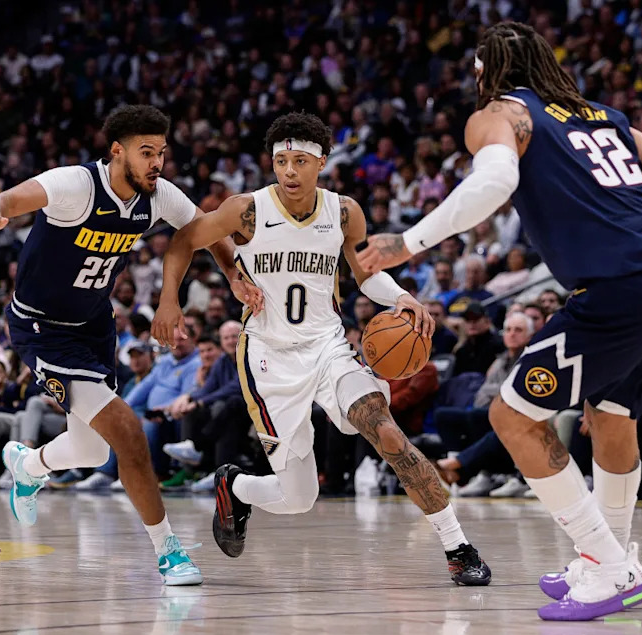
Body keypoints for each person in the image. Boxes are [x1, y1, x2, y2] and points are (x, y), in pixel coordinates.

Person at [356, 21, 642, 620]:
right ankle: (617, 556)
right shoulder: (601, 115)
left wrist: (408, 242)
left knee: (512, 415)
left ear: (485, 72)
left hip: (622, 288)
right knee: (612, 414)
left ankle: (605, 564)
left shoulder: (498, 113)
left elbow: (495, 180)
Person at [152, 112, 491, 587]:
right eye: (281, 161)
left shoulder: (344, 211)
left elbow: (366, 272)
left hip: (327, 345)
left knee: (387, 434)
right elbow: (184, 241)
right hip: (267, 356)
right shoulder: (245, 208)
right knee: (299, 497)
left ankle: (458, 547)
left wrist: (402, 297)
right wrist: (173, 299)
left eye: (301, 161)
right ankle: (237, 486)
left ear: (322, 162)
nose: (289, 171)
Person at [0, 104, 262, 585]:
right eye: (146, 153)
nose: (156, 163)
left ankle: (28, 464)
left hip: (94, 325)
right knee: (126, 431)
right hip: (43, 328)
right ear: (117, 151)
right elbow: (5, 199)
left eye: (161, 153)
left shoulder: (159, 195)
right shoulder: (76, 186)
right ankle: (169, 551)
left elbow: (205, 230)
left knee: (88, 450)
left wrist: (229, 275)